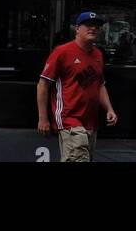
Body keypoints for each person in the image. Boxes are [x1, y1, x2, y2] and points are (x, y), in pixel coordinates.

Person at [36, 10, 118, 162]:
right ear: (77, 28)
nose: (93, 28)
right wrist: (43, 118)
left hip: (90, 120)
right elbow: (43, 84)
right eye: (88, 25)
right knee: (78, 158)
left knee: (85, 158)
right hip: (69, 118)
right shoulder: (62, 52)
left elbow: (100, 84)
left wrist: (109, 108)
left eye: (96, 26)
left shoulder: (98, 54)